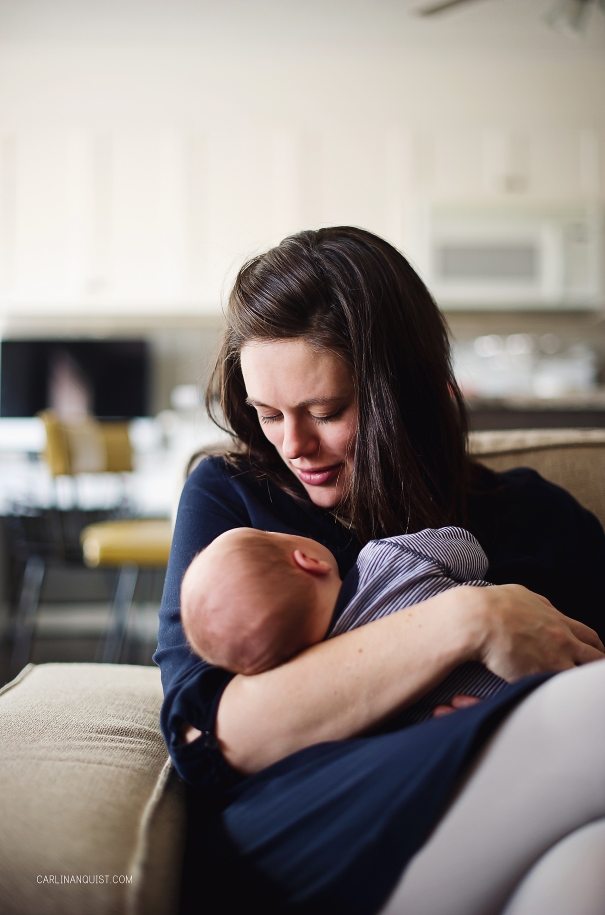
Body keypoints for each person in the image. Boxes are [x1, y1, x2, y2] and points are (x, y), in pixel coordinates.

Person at [156, 227, 605, 915]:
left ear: (408, 391)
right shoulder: (234, 500)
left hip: (497, 803)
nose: (294, 446)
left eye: (326, 411)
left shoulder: (537, 517)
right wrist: (469, 618)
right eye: (267, 413)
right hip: (308, 820)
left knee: (589, 866)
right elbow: (216, 737)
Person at [180, 525, 506, 721]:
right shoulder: (388, 558)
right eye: (271, 535)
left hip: (491, 723)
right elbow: (468, 550)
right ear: (308, 561)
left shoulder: (340, 700)